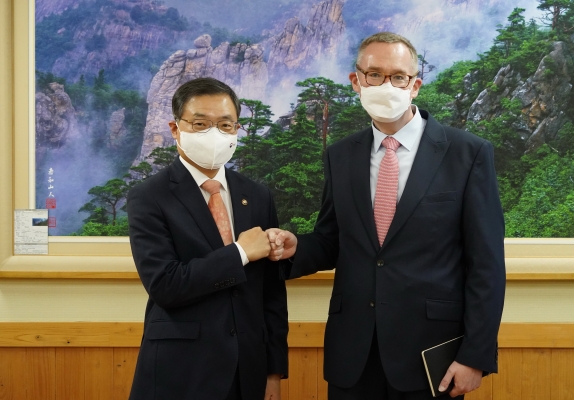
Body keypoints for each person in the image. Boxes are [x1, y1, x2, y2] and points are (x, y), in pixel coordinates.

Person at [267, 32, 505, 399]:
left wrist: (475, 355)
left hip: (431, 356)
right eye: (374, 74)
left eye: (398, 77)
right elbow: (332, 240)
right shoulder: (340, 155)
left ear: (415, 86)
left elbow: (486, 264)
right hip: (353, 355)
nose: (386, 85)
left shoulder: (467, 153)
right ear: (356, 81)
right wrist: (296, 246)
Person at [127, 77, 288, 400]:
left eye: (225, 125)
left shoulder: (257, 195)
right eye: (200, 124)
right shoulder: (149, 196)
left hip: (248, 370)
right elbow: (165, 285)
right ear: (175, 129)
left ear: (237, 129)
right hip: (180, 371)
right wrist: (240, 252)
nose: (214, 134)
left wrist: (273, 371)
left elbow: (271, 292)